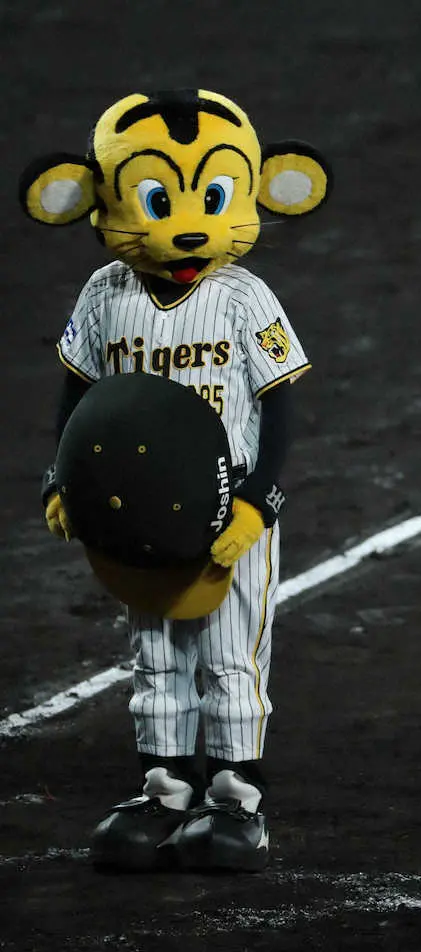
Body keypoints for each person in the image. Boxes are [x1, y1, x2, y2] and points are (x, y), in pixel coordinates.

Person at [21, 88, 330, 871]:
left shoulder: (241, 296)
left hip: (230, 516)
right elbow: (77, 395)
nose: (187, 227)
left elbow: (280, 402)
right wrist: (63, 480)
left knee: (230, 653)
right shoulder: (105, 295)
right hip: (135, 513)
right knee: (155, 650)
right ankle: (164, 789)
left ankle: (237, 799)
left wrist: (261, 501)